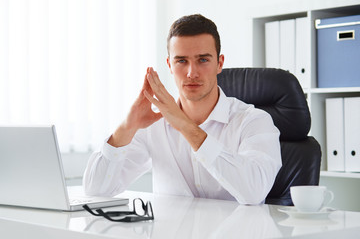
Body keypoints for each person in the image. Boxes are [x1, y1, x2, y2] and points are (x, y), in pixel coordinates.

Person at [83, 14, 282, 204]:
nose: (191, 73)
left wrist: (185, 126)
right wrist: (127, 127)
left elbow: (254, 192)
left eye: (203, 60)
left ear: (219, 63)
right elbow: (96, 190)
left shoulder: (254, 121)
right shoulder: (154, 124)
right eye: (181, 61)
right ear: (169, 65)